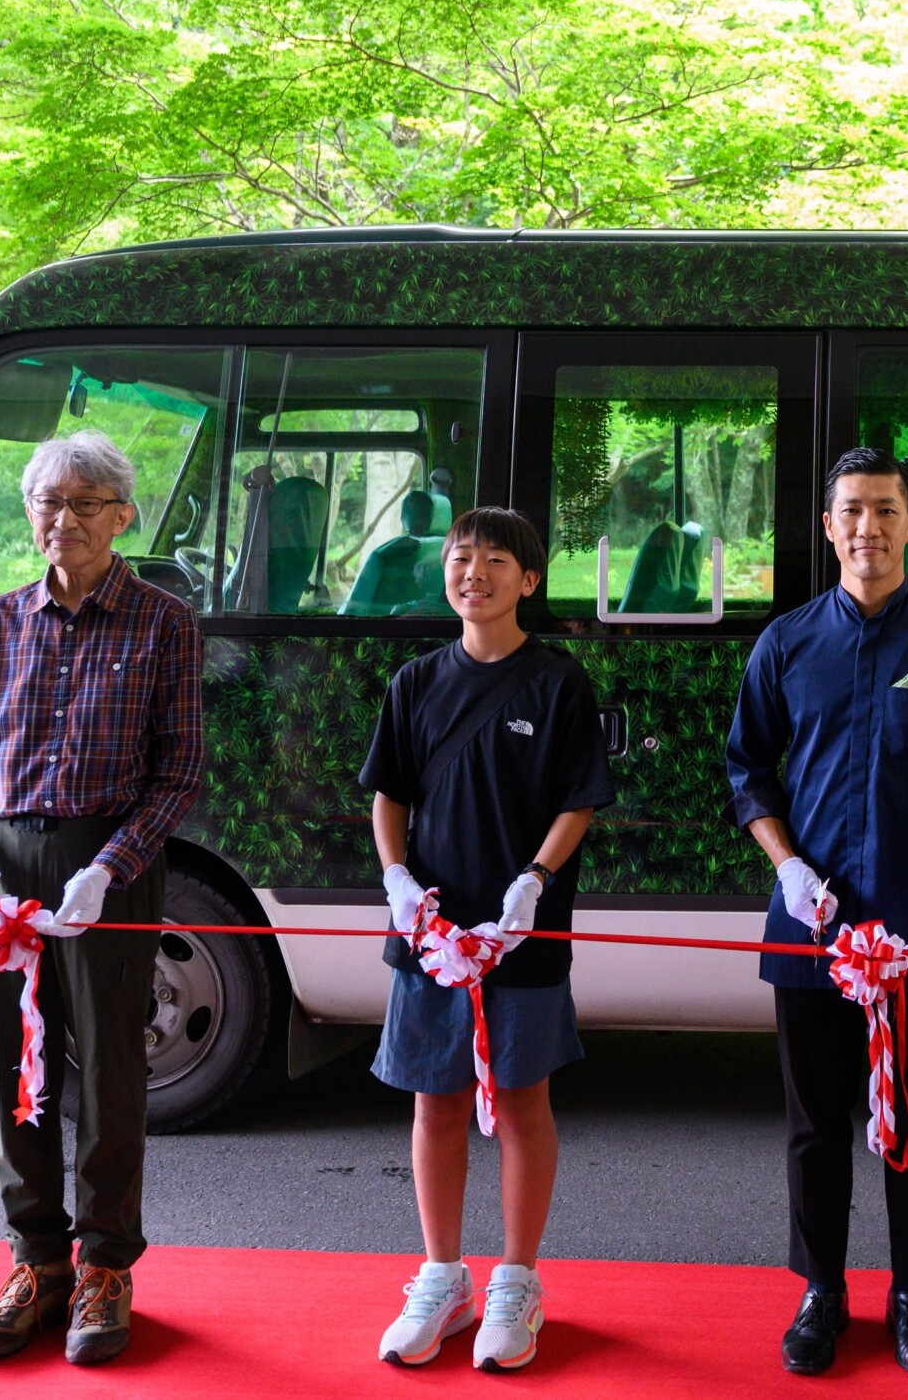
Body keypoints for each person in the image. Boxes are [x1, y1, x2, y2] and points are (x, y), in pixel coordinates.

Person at [726, 447, 908, 1378]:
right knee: (814, 1121)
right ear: (828, 525)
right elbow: (746, 769)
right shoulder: (787, 642)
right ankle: (822, 1292)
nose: (867, 527)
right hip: (811, 931)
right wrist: (787, 866)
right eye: (851, 509)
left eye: (886, 509)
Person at [0, 430, 203, 1366]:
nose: (65, 518)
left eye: (86, 502)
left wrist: (113, 863)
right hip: (5, 869)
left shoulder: (165, 621)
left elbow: (178, 773)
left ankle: (104, 1264)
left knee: (112, 1070)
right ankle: (35, 1261)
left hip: (109, 867)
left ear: (123, 515)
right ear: (30, 514)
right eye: (49, 501)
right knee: (19, 1068)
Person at [361, 507, 614, 1372]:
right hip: (430, 931)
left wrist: (534, 880)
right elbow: (387, 791)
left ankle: (516, 1279)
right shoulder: (416, 680)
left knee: (520, 1102)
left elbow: (577, 798)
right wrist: (396, 878)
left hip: (520, 932)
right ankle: (441, 1275)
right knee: (433, 1099)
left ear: (529, 580)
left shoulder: (558, 683)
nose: (475, 572)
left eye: (496, 559)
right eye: (462, 557)